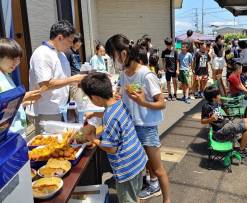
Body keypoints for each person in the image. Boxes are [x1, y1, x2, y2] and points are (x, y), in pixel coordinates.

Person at [105, 34, 170, 203]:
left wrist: (142, 102)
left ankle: (167, 199)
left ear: (124, 54)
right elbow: (120, 93)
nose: (113, 61)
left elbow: (162, 103)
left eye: (113, 56)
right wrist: (117, 95)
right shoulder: (124, 73)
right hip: (130, 127)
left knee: (157, 169)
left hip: (146, 128)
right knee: (139, 166)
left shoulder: (146, 75)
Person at [80, 72, 147, 203]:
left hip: (126, 167)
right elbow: (113, 116)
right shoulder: (118, 103)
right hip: (138, 159)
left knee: (128, 199)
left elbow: (111, 148)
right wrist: (94, 113)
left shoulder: (109, 117)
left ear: (95, 97)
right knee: (135, 195)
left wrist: (93, 138)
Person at [29, 20, 86, 133]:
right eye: (70, 41)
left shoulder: (61, 54)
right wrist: (73, 79)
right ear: (60, 38)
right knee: (49, 145)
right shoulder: (42, 54)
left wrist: (76, 82)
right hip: (47, 110)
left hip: (61, 107)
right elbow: (46, 84)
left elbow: (63, 78)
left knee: (62, 142)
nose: (71, 45)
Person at [0, 38, 41, 137]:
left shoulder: (5, 74)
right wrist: (23, 98)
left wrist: (22, 103)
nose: (15, 63)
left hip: (15, 131)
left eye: (18, 59)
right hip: (7, 135)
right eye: (11, 58)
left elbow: (6, 107)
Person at [201, 85, 247, 158]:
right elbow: (202, 121)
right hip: (220, 131)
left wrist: (226, 112)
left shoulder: (217, 103)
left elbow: (220, 114)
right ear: (214, 97)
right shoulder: (207, 106)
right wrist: (211, 119)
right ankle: (241, 150)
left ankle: (242, 141)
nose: (220, 95)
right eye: (218, 94)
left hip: (226, 124)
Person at [65, 33, 84, 105]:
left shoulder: (77, 52)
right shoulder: (68, 52)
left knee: (79, 100)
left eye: (80, 41)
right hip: (73, 80)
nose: (79, 43)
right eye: (77, 41)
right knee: (77, 101)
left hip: (78, 79)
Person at [161, 37, 178, 101]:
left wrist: (177, 69)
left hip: (174, 69)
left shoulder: (175, 51)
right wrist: (164, 66)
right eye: (167, 45)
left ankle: (175, 94)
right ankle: (169, 94)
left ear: (171, 44)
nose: (168, 46)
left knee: (174, 82)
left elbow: (177, 61)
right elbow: (163, 59)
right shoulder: (164, 51)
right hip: (167, 70)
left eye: (169, 45)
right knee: (168, 82)